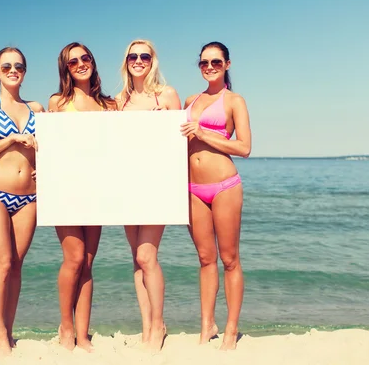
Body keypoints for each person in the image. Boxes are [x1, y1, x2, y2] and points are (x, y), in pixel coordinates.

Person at [0, 47, 44, 356]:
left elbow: (56, 146)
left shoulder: (37, 108)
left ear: (24, 72)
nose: (13, 70)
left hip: (29, 197)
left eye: (18, 66)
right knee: (1, 264)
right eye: (6, 66)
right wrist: (12, 139)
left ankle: (10, 330)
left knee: (16, 265)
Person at [180, 41, 251, 350]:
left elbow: (244, 147)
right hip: (192, 189)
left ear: (227, 65)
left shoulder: (234, 100)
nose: (209, 67)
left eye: (216, 62)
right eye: (204, 63)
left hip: (224, 186)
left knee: (229, 259)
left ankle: (231, 329)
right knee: (205, 259)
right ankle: (207, 324)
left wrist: (204, 133)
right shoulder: (190, 99)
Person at [48, 42, 116, 352]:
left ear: (93, 61)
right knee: (73, 259)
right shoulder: (58, 103)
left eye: (85, 58)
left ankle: (84, 333)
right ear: (66, 69)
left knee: (88, 263)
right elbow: (49, 146)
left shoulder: (109, 106)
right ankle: (66, 326)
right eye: (72, 61)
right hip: (66, 188)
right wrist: (42, 171)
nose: (80, 64)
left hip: (99, 189)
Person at [114, 39, 181, 351]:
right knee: (136, 260)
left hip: (158, 185)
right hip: (127, 184)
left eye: (144, 55)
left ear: (153, 60)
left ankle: (158, 325)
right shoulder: (120, 100)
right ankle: (146, 325)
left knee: (147, 255)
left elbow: (179, 144)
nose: (138, 60)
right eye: (133, 55)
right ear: (126, 61)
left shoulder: (165, 95)